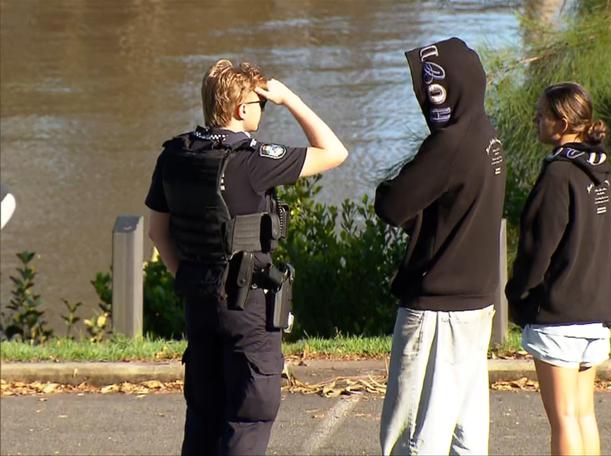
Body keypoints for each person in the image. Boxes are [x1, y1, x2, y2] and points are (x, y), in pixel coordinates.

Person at [145, 59, 347, 456]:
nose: (264, 109)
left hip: (199, 302)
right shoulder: (253, 161)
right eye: (262, 104)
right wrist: (290, 99)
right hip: (247, 305)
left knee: (203, 418)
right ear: (241, 110)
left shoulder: (174, 156)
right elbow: (334, 151)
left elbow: (157, 231)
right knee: (248, 417)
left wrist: (189, 277)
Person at [375, 37, 506, 455]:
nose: (428, 99)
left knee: (416, 430)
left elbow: (393, 204)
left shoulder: (448, 144)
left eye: (432, 89)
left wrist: (388, 189)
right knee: (465, 429)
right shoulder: (487, 134)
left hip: (438, 308)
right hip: (477, 302)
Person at [505, 82, 611, 456]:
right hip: (595, 310)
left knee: (564, 417)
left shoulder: (559, 175)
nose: (535, 119)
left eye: (542, 114)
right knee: (584, 415)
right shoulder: (600, 172)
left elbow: (538, 249)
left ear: (564, 121)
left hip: (560, 313)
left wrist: (517, 296)